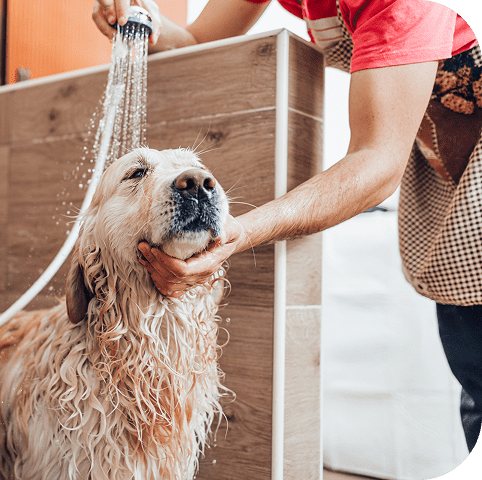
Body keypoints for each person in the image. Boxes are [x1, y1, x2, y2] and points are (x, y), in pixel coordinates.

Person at [93, 0, 482, 452]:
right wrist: (152, 24)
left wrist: (243, 231)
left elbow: (377, 161)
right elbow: (199, 38)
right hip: (453, 187)